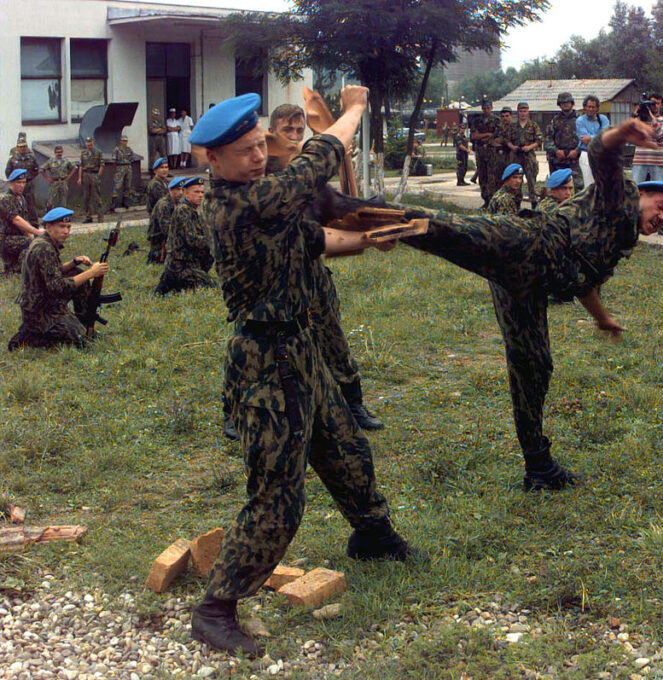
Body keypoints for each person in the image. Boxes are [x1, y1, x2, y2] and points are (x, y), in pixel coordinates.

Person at [321, 116, 663, 492]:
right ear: (643, 194)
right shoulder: (621, 196)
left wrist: (603, 319)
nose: (660, 216)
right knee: (452, 230)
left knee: (534, 366)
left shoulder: (621, 241)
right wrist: (623, 133)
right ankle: (354, 209)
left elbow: (586, 283)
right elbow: (600, 153)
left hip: (527, 287)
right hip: (531, 242)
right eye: (660, 205)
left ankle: (539, 467)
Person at [188, 88, 420, 656]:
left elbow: (316, 241)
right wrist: (356, 110)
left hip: (301, 348)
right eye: (242, 152)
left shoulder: (265, 202)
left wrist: (370, 239)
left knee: (344, 447)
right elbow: (317, 159)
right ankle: (216, 608)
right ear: (211, 161)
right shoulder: (240, 204)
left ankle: (373, 534)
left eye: (257, 146)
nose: (258, 156)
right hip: (267, 363)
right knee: (277, 496)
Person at [263, 101, 385, 431]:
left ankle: (353, 403)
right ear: (273, 131)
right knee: (262, 347)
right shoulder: (261, 171)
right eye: (286, 130)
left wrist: (369, 210)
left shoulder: (308, 172)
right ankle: (235, 412)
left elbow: (334, 204)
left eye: (298, 130)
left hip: (312, 268)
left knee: (332, 335)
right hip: (271, 276)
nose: (293, 135)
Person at [7, 207, 108, 350]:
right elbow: (57, 286)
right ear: (48, 227)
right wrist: (91, 272)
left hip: (43, 303)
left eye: (68, 227)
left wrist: (73, 262)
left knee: (75, 271)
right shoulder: (44, 248)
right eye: (61, 226)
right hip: (42, 311)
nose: (66, 231)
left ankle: (82, 321)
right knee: (83, 341)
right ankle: (32, 334)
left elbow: (51, 272)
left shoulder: (45, 242)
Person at [154, 177, 214, 295]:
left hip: (190, 262)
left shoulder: (194, 210)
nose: (200, 195)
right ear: (186, 193)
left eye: (202, 192)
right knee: (210, 286)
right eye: (196, 192)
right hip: (179, 265)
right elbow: (192, 240)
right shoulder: (183, 210)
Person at [1, 169, 44, 274]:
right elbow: (16, 220)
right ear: (11, 183)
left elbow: (24, 222)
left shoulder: (21, 199)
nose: (22, 185)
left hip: (17, 237)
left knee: (34, 243)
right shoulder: (6, 199)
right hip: (5, 239)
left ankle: (16, 268)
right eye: (18, 182)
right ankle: (19, 269)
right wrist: (37, 232)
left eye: (24, 182)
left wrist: (32, 235)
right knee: (31, 243)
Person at [504, 103, 543, 207]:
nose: (523, 113)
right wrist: (513, 147)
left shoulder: (533, 125)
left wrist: (529, 147)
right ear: (518, 112)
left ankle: (534, 208)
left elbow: (539, 140)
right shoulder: (512, 126)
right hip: (516, 157)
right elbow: (507, 140)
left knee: (532, 183)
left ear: (528, 112)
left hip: (529, 156)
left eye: (525, 111)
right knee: (516, 183)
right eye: (521, 111)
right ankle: (516, 207)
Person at [545, 92, 583, 192]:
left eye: (568, 102)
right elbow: (548, 140)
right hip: (558, 159)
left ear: (572, 103)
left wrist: (577, 151)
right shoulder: (555, 120)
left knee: (578, 188)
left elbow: (585, 139)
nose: (565, 104)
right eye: (562, 102)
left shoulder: (580, 119)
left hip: (576, 160)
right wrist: (556, 151)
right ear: (559, 104)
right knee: (558, 188)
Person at [631, 93, 663, 185]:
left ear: (661, 105)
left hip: (657, 160)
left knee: (658, 189)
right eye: (652, 104)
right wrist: (637, 112)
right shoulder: (640, 120)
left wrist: (653, 120)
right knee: (637, 189)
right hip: (640, 159)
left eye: (657, 103)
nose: (655, 106)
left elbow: (660, 135)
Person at [470, 97, 502, 206]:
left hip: (492, 151)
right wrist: (487, 135)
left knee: (492, 175)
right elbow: (474, 135)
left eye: (488, 107)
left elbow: (498, 136)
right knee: (482, 175)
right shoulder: (477, 120)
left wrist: (484, 137)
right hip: (480, 151)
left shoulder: (497, 121)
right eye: (484, 108)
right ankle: (485, 200)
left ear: (492, 108)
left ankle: (493, 199)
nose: (486, 110)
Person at [147, 176, 184, 264]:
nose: (181, 193)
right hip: (159, 242)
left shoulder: (177, 203)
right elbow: (166, 229)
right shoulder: (164, 204)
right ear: (170, 190)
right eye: (178, 190)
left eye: (183, 190)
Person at [5, 133, 40, 226]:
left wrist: (29, 178)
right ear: (17, 147)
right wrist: (15, 182)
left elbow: (36, 169)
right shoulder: (13, 159)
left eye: (24, 146)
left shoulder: (31, 157)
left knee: (30, 204)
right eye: (20, 147)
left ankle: (34, 224)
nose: (22, 148)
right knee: (16, 204)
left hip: (28, 185)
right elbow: (8, 171)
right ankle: (20, 224)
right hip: (16, 186)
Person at [576, 96, 610, 190]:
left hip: (602, 154)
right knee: (589, 184)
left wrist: (591, 138)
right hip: (586, 153)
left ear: (597, 108)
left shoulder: (603, 119)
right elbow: (584, 139)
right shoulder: (580, 121)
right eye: (589, 106)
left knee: (603, 182)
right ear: (584, 107)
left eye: (593, 107)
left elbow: (606, 136)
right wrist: (598, 137)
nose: (590, 109)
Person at [40, 145, 76, 212]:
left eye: (60, 152)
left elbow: (74, 168)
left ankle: (62, 217)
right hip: (54, 183)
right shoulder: (51, 161)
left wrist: (68, 177)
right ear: (54, 153)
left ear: (62, 152)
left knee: (63, 201)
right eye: (57, 152)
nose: (59, 153)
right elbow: (42, 169)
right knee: (51, 201)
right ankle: (49, 216)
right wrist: (47, 178)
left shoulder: (66, 161)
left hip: (63, 182)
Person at [77, 136, 104, 223]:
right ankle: (88, 216)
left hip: (94, 174)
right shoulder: (83, 153)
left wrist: (98, 176)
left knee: (97, 196)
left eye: (91, 144)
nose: (89, 146)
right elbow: (81, 166)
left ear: (93, 143)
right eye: (88, 144)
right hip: (86, 175)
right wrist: (80, 178)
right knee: (86, 197)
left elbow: (102, 165)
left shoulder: (98, 152)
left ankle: (100, 216)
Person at [109, 135, 135, 212]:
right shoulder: (117, 149)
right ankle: (114, 204)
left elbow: (132, 158)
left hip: (128, 167)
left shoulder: (129, 149)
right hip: (120, 167)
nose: (124, 142)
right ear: (120, 141)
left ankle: (126, 202)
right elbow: (114, 160)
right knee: (117, 186)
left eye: (126, 141)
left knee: (128, 185)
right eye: (123, 141)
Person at [454, 122, 471, 186]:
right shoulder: (458, 136)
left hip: (465, 153)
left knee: (465, 167)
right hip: (460, 154)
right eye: (461, 128)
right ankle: (459, 181)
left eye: (464, 128)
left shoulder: (464, 136)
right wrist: (467, 150)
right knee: (461, 167)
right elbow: (460, 145)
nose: (463, 129)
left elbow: (467, 143)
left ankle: (462, 180)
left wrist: (468, 149)